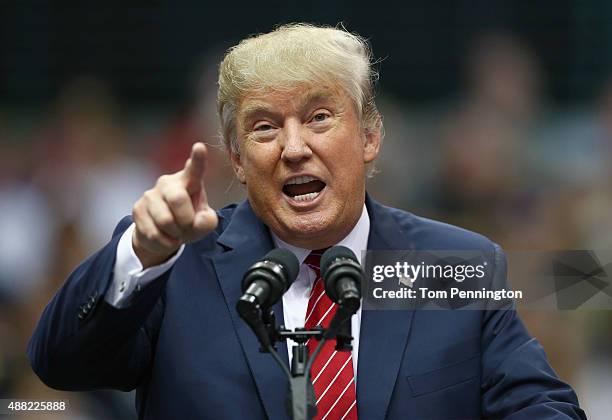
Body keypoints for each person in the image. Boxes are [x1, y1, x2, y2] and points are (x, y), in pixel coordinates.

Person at [28, 23, 585, 419]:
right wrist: (140, 255)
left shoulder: (450, 265)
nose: (294, 148)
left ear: (370, 135)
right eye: (265, 127)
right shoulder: (175, 263)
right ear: (238, 158)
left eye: (319, 117)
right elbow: (59, 366)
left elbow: (538, 404)